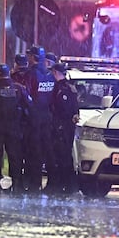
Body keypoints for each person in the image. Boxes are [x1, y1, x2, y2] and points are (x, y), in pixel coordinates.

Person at [0, 63, 32, 193]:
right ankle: (17, 184)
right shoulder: (18, 88)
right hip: (14, 128)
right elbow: (29, 105)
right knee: (15, 157)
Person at [22, 45, 55, 193]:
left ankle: (34, 183)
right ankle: (52, 183)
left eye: (29, 55)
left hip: (33, 119)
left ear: (33, 57)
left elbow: (26, 95)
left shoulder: (30, 74)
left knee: (33, 152)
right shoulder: (49, 74)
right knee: (47, 151)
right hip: (47, 118)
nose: (27, 58)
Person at [47, 62, 80, 195]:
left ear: (55, 73)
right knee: (65, 156)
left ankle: (65, 186)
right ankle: (67, 185)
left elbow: (65, 110)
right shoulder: (70, 87)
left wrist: (58, 125)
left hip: (62, 128)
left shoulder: (62, 89)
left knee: (62, 157)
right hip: (65, 127)